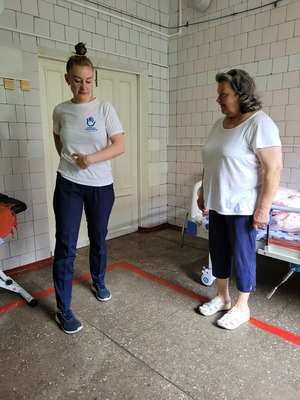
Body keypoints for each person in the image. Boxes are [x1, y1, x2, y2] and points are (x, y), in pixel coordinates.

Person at [197, 69, 282, 330]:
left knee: (243, 256)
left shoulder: (260, 123)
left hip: (242, 206)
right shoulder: (219, 124)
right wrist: (203, 191)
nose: (219, 100)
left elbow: (274, 168)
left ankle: (243, 306)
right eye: (219, 95)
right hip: (218, 203)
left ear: (241, 94)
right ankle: (223, 297)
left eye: (224, 95)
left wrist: (263, 208)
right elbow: (210, 160)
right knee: (218, 252)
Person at [52, 42, 125, 334]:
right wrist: (72, 162)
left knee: (98, 238)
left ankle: (99, 280)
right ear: (68, 78)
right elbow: (59, 141)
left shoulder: (105, 108)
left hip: (100, 185)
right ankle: (63, 309)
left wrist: (90, 159)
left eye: (89, 81)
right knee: (66, 245)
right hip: (68, 183)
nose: (83, 87)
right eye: (78, 80)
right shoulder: (61, 110)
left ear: (94, 80)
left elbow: (119, 146)